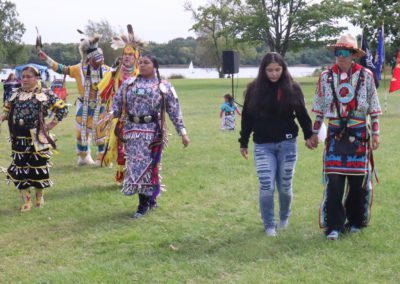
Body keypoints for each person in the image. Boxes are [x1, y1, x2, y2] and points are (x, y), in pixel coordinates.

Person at [309, 34, 381, 240]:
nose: (340, 56)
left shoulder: (366, 76)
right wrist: (314, 133)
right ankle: (334, 226)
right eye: (337, 52)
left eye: (345, 52)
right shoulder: (325, 77)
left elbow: (374, 108)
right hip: (335, 134)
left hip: (358, 133)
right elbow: (320, 110)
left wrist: (375, 133)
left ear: (353, 55)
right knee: (334, 183)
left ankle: (356, 221)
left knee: (358, 183)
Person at [239, 52, 314, 237]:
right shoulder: (253, 89)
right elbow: (247, 118)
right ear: (263, 71)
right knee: (266, 186)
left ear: (283, 69)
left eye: (277, 70)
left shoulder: (293, 88)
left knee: (285, 185)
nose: (273, 74)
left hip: (287, 143)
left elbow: (302, 114)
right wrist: (244, 142)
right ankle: (269, 225)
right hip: (262, 145)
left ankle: (284, 217)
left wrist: (309, 135)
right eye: (270, 70)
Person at [112, 55, 190, 218]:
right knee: (135, 166)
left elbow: (174, 110)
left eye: (146, 62)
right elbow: (117, 103)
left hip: (152, 133)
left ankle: (143, 204)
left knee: (147, 166)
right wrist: (110, 115)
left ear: (155, 65)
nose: (142, 65)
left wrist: (182, 132)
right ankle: (150, 199)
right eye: (140, 62)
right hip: (132, 132)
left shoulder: (164, 86)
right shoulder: (129, 84)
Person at [0, 66, 68, 212]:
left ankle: (39, 197)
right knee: (20, 168)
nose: (24, 79)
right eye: (23, 76)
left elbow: (62, 109)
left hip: (38, 137)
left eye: (28, 76)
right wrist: (3, 116)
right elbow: (6, 108)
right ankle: (26, 200)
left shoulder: (45, 93)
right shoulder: (15, 94)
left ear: (37, 78)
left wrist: (50, 125)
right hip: (18, 137)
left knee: (38, 168)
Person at [38, 31, 110, 166]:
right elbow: (61, 69)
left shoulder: (107, 71)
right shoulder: (78, 69)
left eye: (101, 56)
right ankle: (83, 157)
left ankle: (103, 159)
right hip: (84, 107)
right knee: (81, 134)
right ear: (88, 58)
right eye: (96, 57)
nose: (100, 60)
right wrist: (46, 59)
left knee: (101, 134)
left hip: (100, 106)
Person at [98, 24, 141, 185]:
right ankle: (121, 176)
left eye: (130, 55)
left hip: (137, 117)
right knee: (120, 146)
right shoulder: (115, 73)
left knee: (136, 147)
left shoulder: (141, 74)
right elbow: (104, 92)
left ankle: (136, 175)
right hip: (119, 117)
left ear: (136, 56)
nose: (127, 57)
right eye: (125, 54)